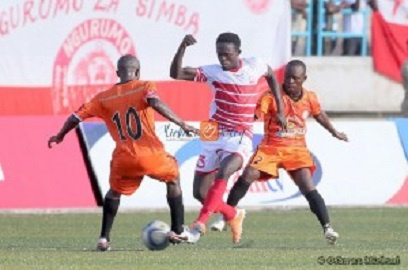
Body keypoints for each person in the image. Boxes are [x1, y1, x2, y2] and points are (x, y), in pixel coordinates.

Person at [48, 54, 200, 251]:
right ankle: (178, 229)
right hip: (151, 154)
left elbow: (76, 117)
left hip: (124, 158)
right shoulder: (145, 86)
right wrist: (182, 123)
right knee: (173, 180)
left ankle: (104, 238)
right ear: (138, 72)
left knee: (114, 193)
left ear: (118, 73)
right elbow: (154, 102)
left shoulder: (102, 98)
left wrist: (60, 135)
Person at [170, 32, 286, 243]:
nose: (223, 59)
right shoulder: (212, 72)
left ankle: (198, 226)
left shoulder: (254, 65)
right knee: (201, 194)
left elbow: (271, 76)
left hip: (240, 134)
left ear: (238, 52)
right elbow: (176, 73)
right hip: (212, 131)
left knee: (226, 169)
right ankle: (233, 214)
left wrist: (279, 108)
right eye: (219, 54)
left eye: (227, 54)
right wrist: (182, 47)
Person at [225, 59, 348, 245]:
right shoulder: (271, 96)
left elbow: (319, 114)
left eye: (295, 78)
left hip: (297, 149)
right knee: (248, 174)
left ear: (303, 79)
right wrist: (244, 118)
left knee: (308, 186)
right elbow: (258, 113)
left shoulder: (310, 97)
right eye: (287, 77)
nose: (290, 81)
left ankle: (327, 228)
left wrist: (334, 131)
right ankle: (226, 214)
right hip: (271, 148)